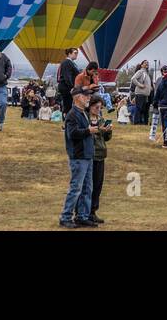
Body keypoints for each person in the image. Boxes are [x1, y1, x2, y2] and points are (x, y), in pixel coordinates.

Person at [60, 88, 97, 228]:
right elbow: (72, 133)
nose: (88, 98)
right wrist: (88, 131)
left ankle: (82, 216)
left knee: (87, 188)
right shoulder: (72, 114)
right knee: (76, 188)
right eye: (86, 96)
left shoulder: (82, 113)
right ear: (77, 98)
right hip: (78, 156)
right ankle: (66, 217)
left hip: (87, 155)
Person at [88, 95, 111, 225]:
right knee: (88, 186)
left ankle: (93, 211)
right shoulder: (85, 119)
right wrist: (98, 130)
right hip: (90, 155)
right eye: (96, 107)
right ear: (90, 106)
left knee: (98, 185)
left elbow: (106, 139)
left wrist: (107, 131)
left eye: (100, 107)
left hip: (101, 155)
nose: (98, 109)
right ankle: (84, 211)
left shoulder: (101, 119)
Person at [130, 61, 153, 126]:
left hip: (145, 94)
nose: (147, 64)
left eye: (147, 63)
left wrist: (150, 87)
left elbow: (146, 83)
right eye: (145, 63)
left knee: (144, 109)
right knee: (139, 108)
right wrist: (140, 85)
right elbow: (133, 79)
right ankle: (136, 122)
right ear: (141, 65)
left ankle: (142, 122)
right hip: (140, 93)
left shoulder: (146, 73)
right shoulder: (140, 72)